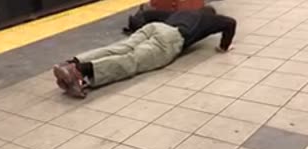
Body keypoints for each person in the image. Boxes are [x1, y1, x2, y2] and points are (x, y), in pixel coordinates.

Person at [53, 6, 237, 98]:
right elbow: (230, 23)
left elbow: (148, 14)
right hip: (171, 39)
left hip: (155, 27)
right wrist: (224, 46)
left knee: (120, 47)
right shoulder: (209, 18)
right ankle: (80, 71)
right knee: (132, 60)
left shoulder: (183, 12)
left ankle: (71, 63)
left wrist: (136, 26)